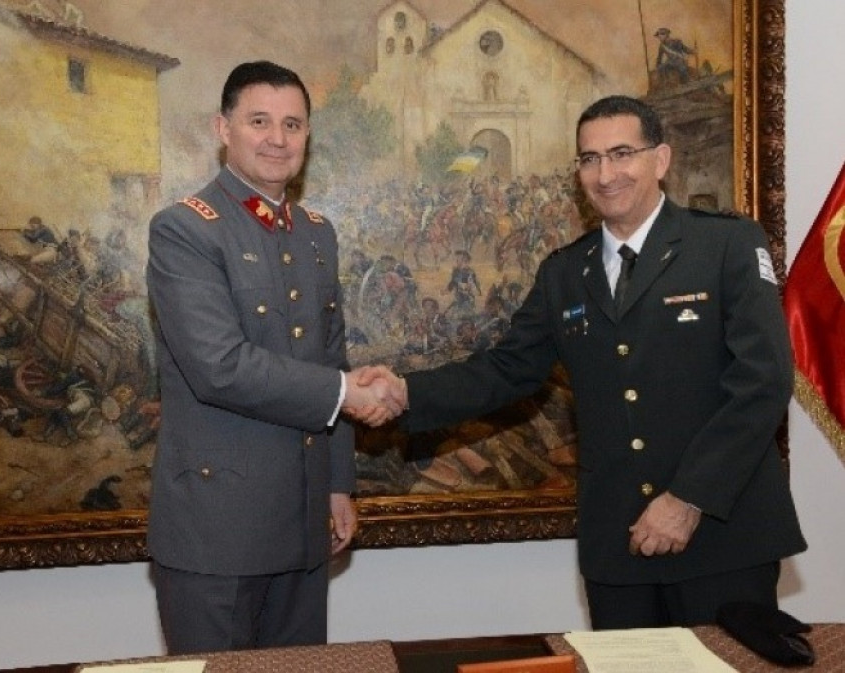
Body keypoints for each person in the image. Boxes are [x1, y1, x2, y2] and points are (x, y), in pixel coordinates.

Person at [353, 95, 806, 629]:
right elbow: (507, 369)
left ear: (660, 160)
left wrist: (688, 499)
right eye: (589, 159)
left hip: (724, 536)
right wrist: (405, 391)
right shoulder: (566, 272)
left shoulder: (725, 245)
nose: (605, 173)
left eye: (621, 154)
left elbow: (763, 382)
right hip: (619, 546)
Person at [146, 60, 395, 654]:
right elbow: (219, 367)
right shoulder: (185, 230)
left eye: (293, 124)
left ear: (308, 136)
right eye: (259, 121)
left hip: (305, 520)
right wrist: (346, 394)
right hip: (217, 532)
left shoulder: (315, 233)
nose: (277, 139)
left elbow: (331, 358)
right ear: (222, 128)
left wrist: (337, 485)